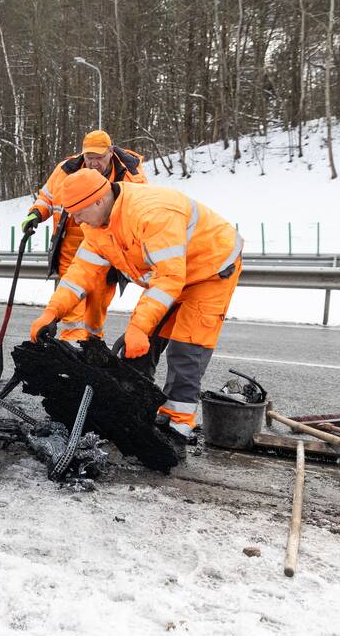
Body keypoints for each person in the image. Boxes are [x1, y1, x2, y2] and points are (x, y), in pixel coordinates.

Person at [28, 169, 243, 440]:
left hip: (210, 270)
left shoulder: (151, 214)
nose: (74, 219)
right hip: (170, 274)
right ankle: (135, 409)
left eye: (78, 212)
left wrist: (140, 326)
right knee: (138, 348)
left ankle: (177, 423)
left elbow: (168, 278)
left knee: (186, 348)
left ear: (98, 201)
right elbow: (80, 274)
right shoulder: (96, 225)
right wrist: (52, 312)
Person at [21, 130, 147, 343]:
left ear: (110, 151)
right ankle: (73, 349)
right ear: (82, 153)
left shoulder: (130, 175)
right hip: (70, 252)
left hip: (106, 253)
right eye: (90, 157)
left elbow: (138, 210)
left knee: (95, 311)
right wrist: (36, 213)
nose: (94, 162)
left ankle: (91, 348)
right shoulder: (65, 170)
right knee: (72, 309)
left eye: (99, 157)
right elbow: (47, 197)